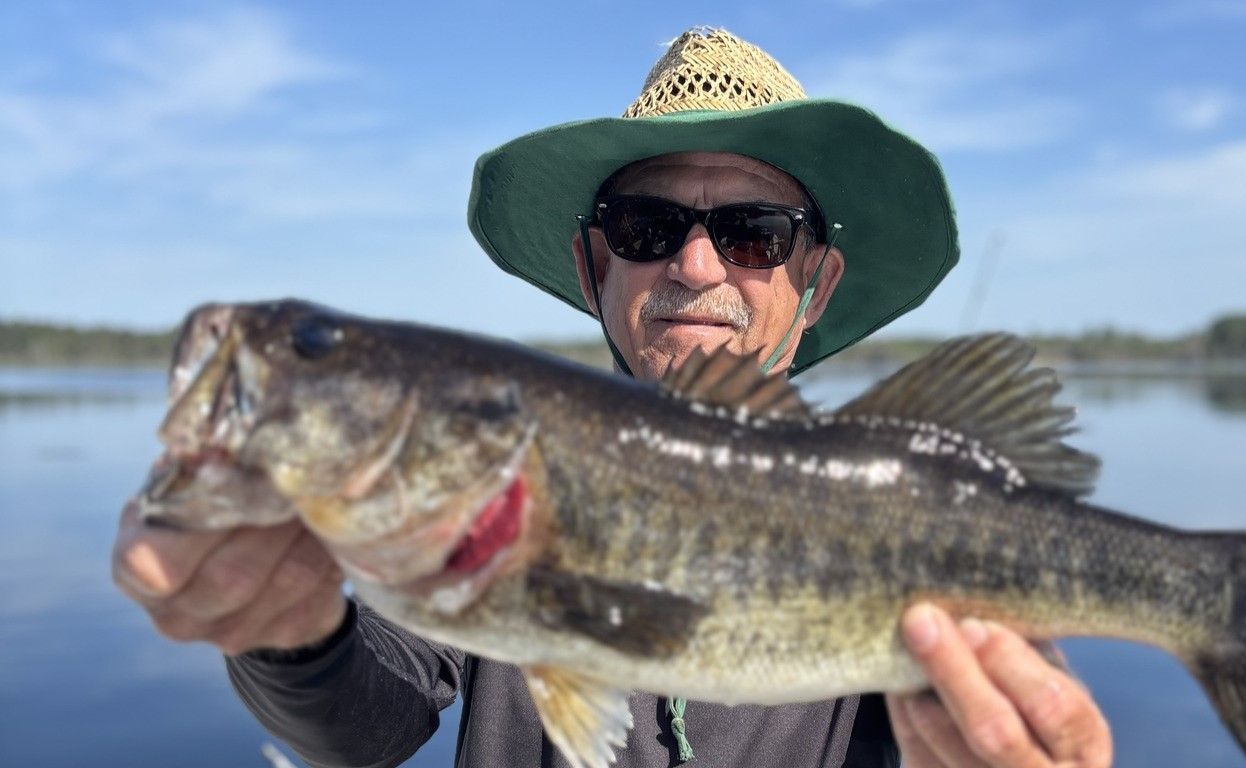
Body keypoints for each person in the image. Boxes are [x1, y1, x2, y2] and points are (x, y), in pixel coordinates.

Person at [111, 28, 1112, 768]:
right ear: (596, 267)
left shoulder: (912, 493)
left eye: (755, 233)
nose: (695, 264)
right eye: (646, 225)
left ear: (817, 285)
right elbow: (364, 725)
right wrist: (288, 634)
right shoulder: (484, 485)